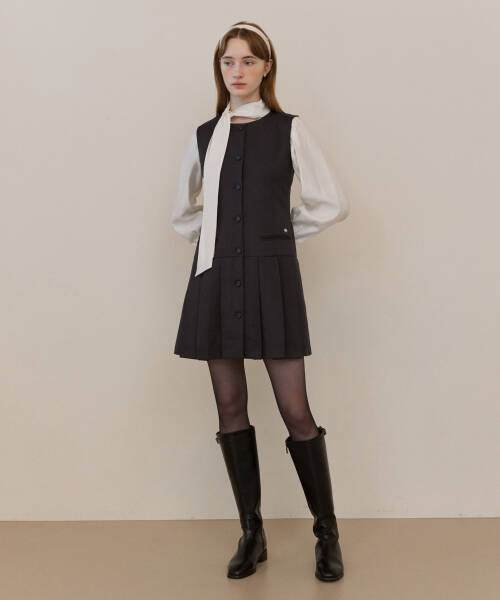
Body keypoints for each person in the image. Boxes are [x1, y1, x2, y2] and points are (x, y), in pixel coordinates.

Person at [171, 21, 349, 582]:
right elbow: (182, 213)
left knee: (295, 409)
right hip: (216, 277)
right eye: (228, 62)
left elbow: (330, 202)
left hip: (272, 277)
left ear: (267, 67)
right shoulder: (205, 135)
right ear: (219, 69)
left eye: (248, 60)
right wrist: (222, 239)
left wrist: (278, 235)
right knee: (229, 406)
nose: (238, 71)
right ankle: (252, 532)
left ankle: (327, 534)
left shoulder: (290, 129)